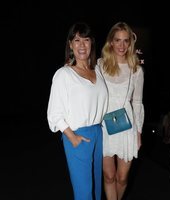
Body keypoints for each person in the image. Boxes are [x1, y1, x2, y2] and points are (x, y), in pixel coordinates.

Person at [47, 22, 108, 200]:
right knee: (84, 193)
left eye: (86, 40)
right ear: (70, 45)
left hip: (98, 132)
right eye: (76, 40)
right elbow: (54, 113)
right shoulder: (64, 74)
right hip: (77, 134)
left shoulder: (97, 71)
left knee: (97, 190)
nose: (82, 45)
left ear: (92, 43)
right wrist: (71, 136)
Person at [97, 22, 144, 200]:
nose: (122, 45)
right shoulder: (100, 65)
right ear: (111, 42)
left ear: (130, 43)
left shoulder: (136, 69)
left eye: (125, 41)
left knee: (122, 178)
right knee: (109, 176)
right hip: (104, 126)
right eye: (118, 40)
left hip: (127, 126)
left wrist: (138, 132)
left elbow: (138, 103)